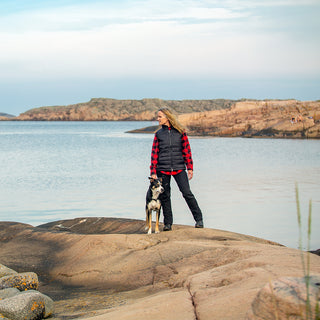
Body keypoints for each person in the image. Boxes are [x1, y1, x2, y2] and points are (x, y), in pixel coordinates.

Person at [149, 108, 204, 231]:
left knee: (187, 193)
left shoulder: (180, 132)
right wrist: (153, 172)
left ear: (167, 117)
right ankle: (168, 223)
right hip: (162, 169)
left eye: (160, 117)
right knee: (165, 196)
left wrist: (190, 168)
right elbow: (154, 154)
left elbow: (186, 151)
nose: (158, 119)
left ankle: (199, 219)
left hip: (179, 168)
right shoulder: (158, 134)